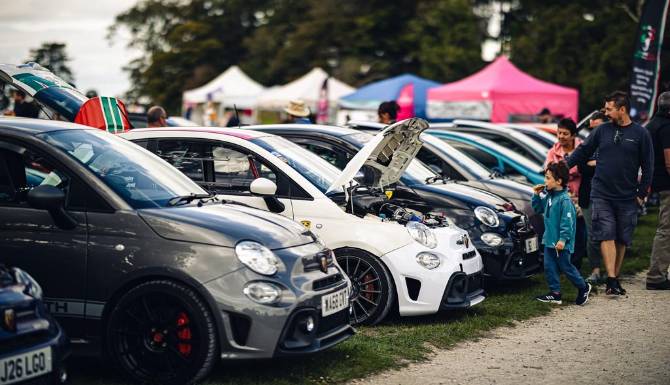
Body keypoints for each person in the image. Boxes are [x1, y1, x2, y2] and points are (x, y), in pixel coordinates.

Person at [567, 91, 654, 296]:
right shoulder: (602, 130)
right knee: (606, 234)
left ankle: (614, 275)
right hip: (602, 193)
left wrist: (641, 193)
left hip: (627, 195)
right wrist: (563, 166)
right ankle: (612, 279)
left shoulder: (641, 134)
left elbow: (649, 166)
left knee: (622, 238)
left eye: (609, 109)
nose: (605, 113)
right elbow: (583, 151)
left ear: (621, 109)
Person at [532, 161, 592, 305]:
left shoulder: (565, 200)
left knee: (566, 267)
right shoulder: (549, 196)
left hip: (561, 243)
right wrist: (536, 195)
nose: (545, 181)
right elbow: (538, 209)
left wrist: (563, 239)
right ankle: (555, 293)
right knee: (549, 266)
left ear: (558, 181)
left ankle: (583, 287)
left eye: (548, 178)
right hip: (549, 241)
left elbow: (568, 222)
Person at [545, 118, 586, 270]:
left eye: (565, 133)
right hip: (560, 198)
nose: (561, 136)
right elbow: (550, 172)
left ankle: (576, 263)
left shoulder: (582, 148)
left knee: (578, 231)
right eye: (559, 133)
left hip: (578, 196)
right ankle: (561, 263)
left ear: (574, 135)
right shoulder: (553, 151)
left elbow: (585, 170)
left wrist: (563, 172)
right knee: (560, 230)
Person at [578, 111, 607, 284]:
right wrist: (598, 163)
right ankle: (596, 269)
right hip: (588, 194)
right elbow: (582, 168)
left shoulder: (610, 142)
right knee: (593, 233)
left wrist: (595, 163)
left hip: (607, 193)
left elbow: (611, 165)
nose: (592, 122)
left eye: (596, 120)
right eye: (592, 121)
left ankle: (610, 269)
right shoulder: (586, 143)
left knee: (609, 232)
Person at [645, 91, 670, 290]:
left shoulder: (651, 125)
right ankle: (656, 276)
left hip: (657, 182)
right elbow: (669, 160)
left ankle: (658, 273)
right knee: (666, 230)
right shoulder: (666, 127)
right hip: (667, 184)